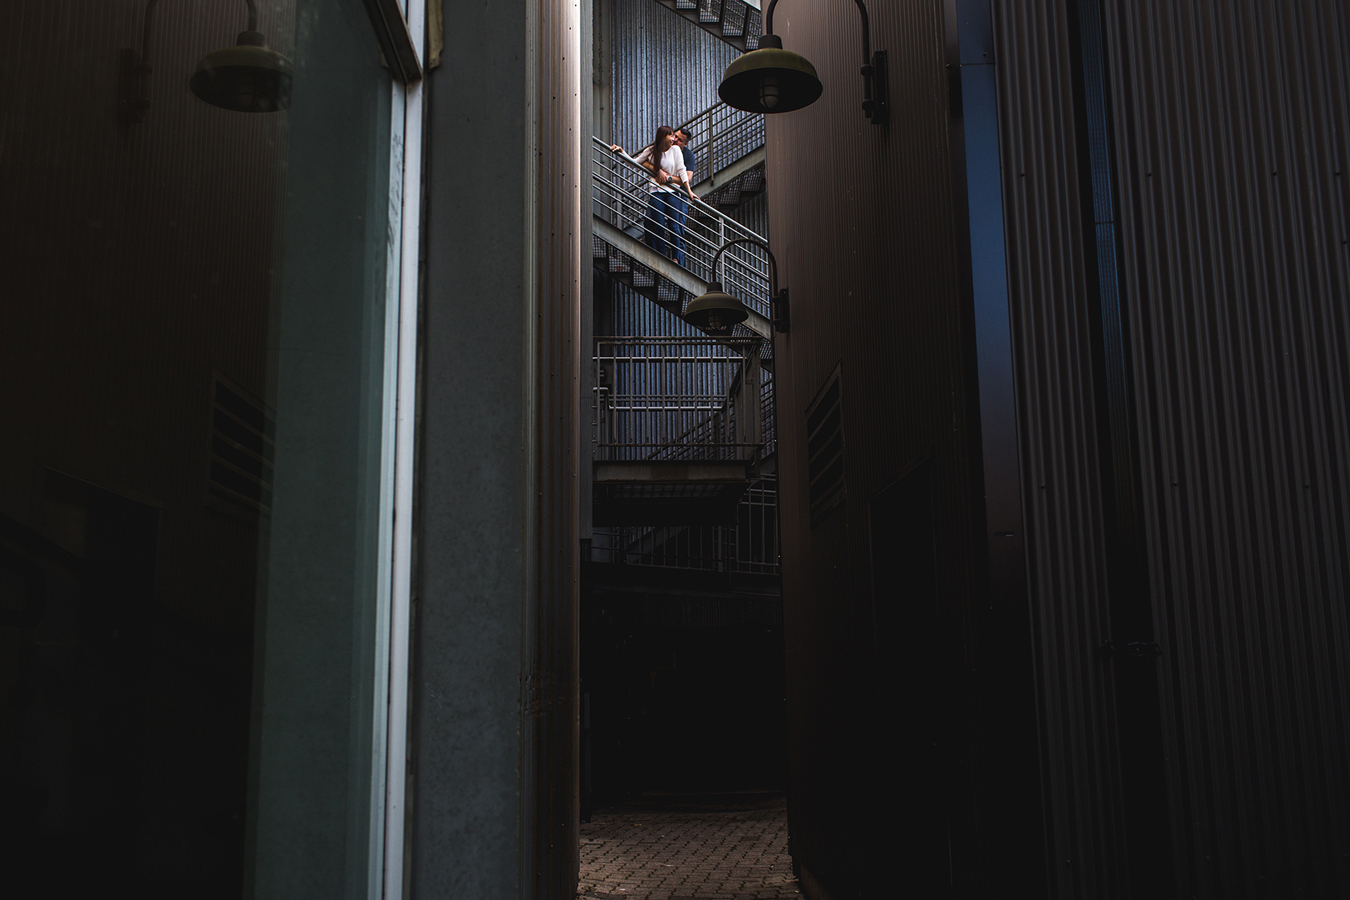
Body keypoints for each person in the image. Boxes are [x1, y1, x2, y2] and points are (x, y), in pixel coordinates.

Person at [610, 125, 696, 265]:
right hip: (657, 191)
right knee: (659, 225)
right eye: (672, 136)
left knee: (674, 225)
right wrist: (622, 152)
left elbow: (682, 171)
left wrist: (689, 191)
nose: (674, 139)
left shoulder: (676, 151)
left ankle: (675, 258)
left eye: (676, 137)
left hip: (673, 191)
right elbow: (635, 162)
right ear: (663, 137)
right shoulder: (651, 150)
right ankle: (661, 257)